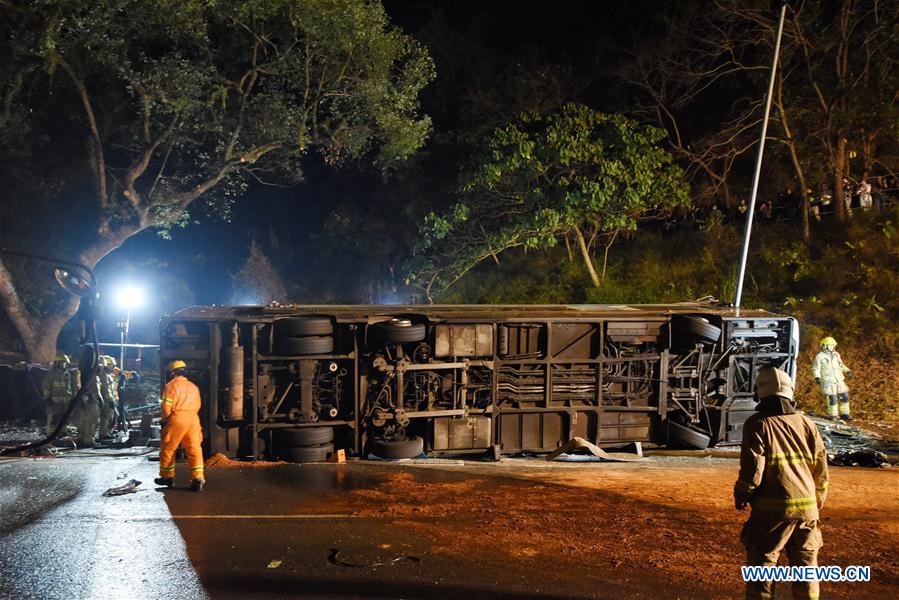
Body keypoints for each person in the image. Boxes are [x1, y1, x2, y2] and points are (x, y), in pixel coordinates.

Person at [734, 367, 828, 600]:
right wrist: (818, 499)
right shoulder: (807, 423)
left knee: (763, 566)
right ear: (789, 392)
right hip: (807, 510)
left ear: (760, 393)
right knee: (806, 569)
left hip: (772, 512)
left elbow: (753, 468)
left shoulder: (758, 424)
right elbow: (821, 467)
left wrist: (743, 493)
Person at [155, 360, 205, 492]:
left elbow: (166, 407)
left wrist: (165, 420)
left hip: (177, 418)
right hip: (193, 419)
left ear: (173, 373)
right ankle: (198, 479)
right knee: (194, 450)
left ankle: (167, 477)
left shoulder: (170, 386)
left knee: (168, 449)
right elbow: (199, 405)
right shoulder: (194, 387)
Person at [812, 336, 852, 421]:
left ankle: (845, 414)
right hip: (828, 380)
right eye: (831, 345)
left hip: (839, 380)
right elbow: (816, 368)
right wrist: (817, 377)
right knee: (832, 398)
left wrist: (847, 371)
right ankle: (833, 415)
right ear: (825, 346)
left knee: (844, 396)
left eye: (834, 345)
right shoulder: (820, 356)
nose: (833, 347)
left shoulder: (836, 355)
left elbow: (841, 365)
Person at [42, 354, 77, 437]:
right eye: (63, 363)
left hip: (66, 402)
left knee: (64, 419)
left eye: (65, 363)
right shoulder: (51, 374)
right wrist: (47, 398)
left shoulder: (68, 375)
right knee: (53, 419)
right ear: (57, 363)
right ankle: (50, 435)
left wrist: (73, 398)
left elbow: (72, 388)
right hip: (54, 402)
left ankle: (61, 433)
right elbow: (46, 386)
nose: (65, 365)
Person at [75, 367, 102, 447]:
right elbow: (96, 390)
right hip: (92, 401)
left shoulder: (83, 375)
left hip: (84, 400)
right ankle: (89, 440)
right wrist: (100, 399)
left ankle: (81, 439)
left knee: (83, 421)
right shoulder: (93, 377)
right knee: (92, 421)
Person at [97, 355, 120, 439]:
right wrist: (110, 400)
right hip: (106, 400)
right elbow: (106, 389)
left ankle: (108, 431)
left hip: (111, 399)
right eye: (111, 365)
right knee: (106, 417)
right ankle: (104, 433)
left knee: (113, 416)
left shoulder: (109, 375)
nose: (113, 367)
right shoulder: (104, 375)